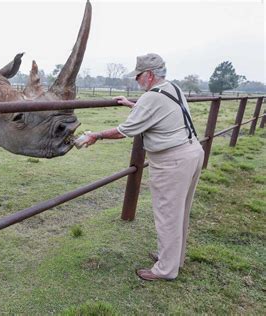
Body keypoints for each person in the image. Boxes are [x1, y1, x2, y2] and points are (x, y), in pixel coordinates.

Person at [79, 53, 204, 281]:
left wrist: (95, 135)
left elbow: (122, 131)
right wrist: (131, 104)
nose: (136, 80)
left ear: (149, 75)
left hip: (173, 161)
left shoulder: (151, 98)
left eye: (138, 76)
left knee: (167, 214)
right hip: (192, 152)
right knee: (180, 212)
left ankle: (165, 269)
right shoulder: (172, 88)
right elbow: (156, 112)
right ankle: (173, 258)